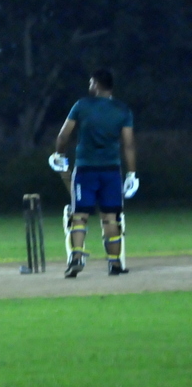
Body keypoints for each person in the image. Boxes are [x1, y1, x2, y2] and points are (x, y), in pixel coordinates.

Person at [49, 68, 139, 278]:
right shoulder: (122, 110)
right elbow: (129, 145)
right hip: (111, 171)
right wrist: (132, 174)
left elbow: (63, 136)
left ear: (97, 84)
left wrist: (59, 155)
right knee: (110, 218)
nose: (89, 86)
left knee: (79, 216)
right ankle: (115, 263)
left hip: (86, 169)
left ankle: (77, 258)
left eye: (91, 82)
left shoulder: (82, 105)